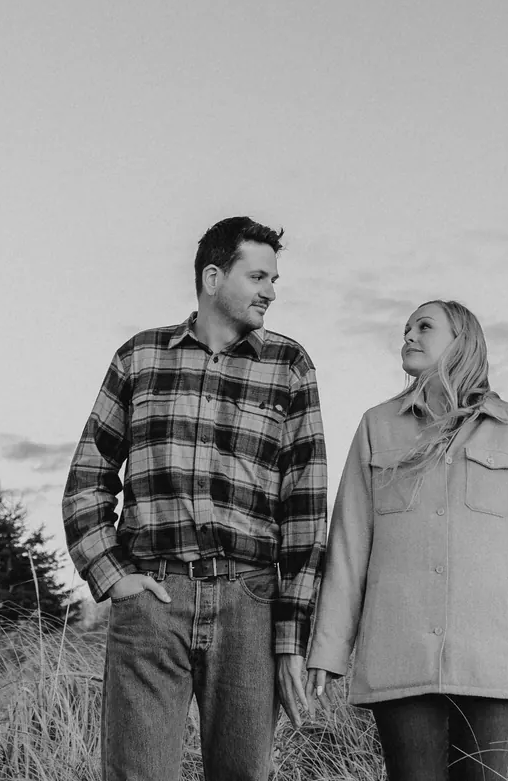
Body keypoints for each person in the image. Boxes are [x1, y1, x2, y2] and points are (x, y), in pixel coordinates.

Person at [63, 216, 327, 781]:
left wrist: (291, 638)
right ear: (213, 277)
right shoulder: (138, 358)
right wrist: (115, 578)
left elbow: (305, 511)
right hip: (154, 600)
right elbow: (89, 476)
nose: (271, 292)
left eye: (274, 279)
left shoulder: (289, 366)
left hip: (250, 604)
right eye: (258, 277)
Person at [306, 300, 508, 781]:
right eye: (406, 328)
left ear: (461, 341)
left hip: (492, 658)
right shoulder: (376, 425)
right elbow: (348, 545)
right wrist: (327, 649)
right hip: (398, 650)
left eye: (423, 326)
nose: (407, 335)